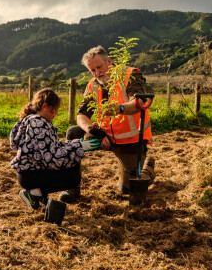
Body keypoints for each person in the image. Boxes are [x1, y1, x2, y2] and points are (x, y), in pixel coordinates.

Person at [65, 46, 156, 201]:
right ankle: (72, 190)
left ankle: (148, 166)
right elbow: (81, 115)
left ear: (109, 61)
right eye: (92, 70)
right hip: (104, 135)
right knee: (73, 133)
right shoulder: (92, 85)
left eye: (99, 67)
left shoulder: (130, 74)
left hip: (130, 141)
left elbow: (138, 102)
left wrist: (119, 108)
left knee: (127, 189)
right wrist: (93, 130)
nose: (96, 73)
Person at [10, 88, 101, 210]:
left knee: (71, 167)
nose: (56, 113)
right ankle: (33, 194)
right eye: (55, 109)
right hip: (31, 175)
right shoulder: (39, 124)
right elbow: (52, 159)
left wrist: (78, 143)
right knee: (73, 177)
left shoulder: (34, 121)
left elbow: (54, 147)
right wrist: (80, 148)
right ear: (45, 106)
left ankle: (39, 197)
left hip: (29, 172)